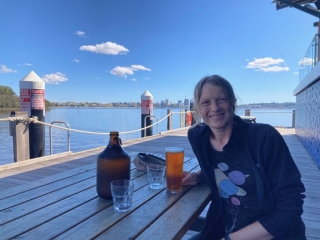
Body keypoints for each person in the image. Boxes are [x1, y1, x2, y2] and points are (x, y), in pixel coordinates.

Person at [182, 75, 306, 240]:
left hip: (270, 233)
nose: (214, 107)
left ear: (232, 102)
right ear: (198, 107)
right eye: (206, 102)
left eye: (221, 99)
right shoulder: (198, 137)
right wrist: (199, 176)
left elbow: (290, 208)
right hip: (224, 228)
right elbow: (221, 165)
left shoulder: (264, 138)